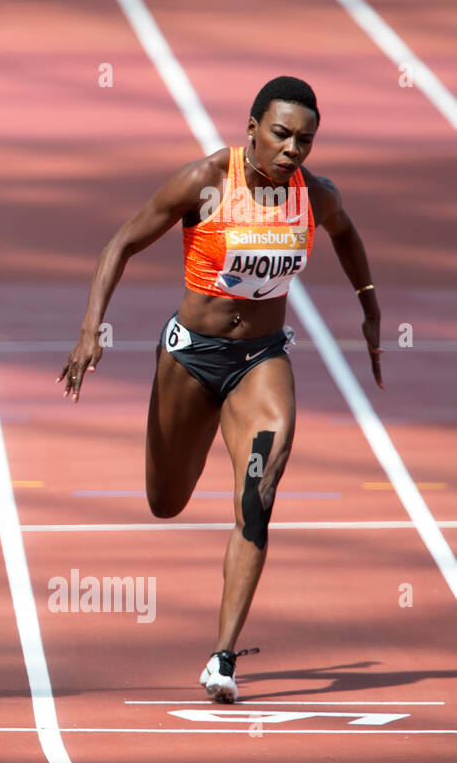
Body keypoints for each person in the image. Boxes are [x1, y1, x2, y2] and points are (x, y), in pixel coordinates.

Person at [59, 76, 383, 702]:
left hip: (260, 360)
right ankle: (191, 449)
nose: (293, 150)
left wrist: (369, 305)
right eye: (282, 134)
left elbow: (345, 234)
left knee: (258, 492)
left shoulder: (314, 195)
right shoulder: (207, 181)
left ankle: (223, 657)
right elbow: (120, 241)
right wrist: (90, 330)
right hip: (191, 358)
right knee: (166, 501)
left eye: (305, 140)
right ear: (253, 128)